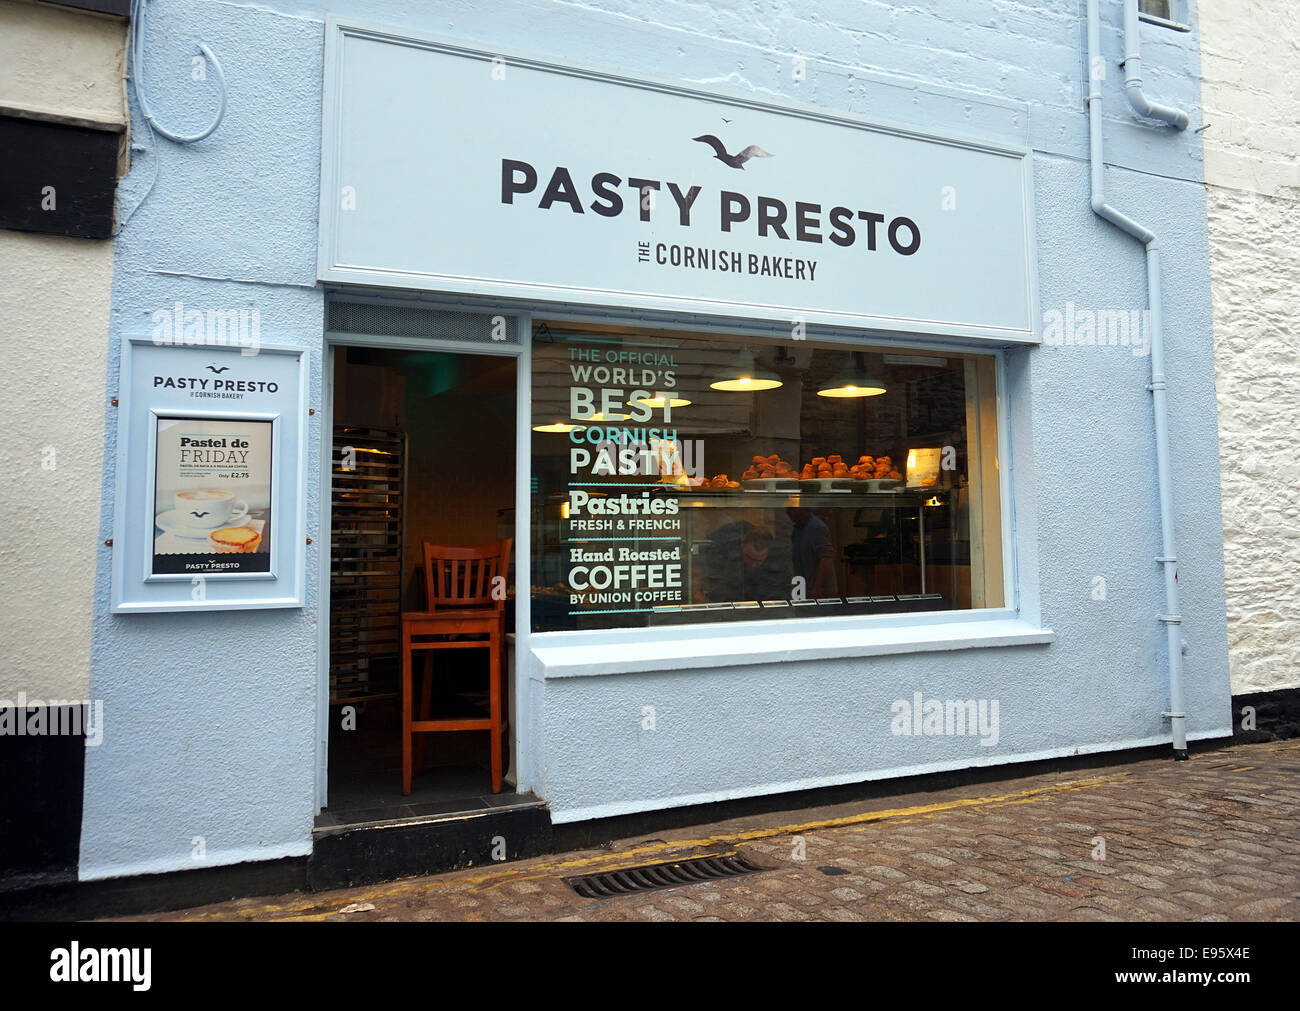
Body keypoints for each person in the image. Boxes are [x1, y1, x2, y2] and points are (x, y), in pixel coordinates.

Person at [702, 520, 790, 603]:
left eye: (758, 561)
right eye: (749, 557)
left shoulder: (775, 567)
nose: (753, 564)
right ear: (742, 544)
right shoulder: (724, 553)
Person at [786, 506, 838, 599]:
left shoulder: (817, 527)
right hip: (802, 587)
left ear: (804, 508)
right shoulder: (797, 530)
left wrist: (817, 587)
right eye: (788, 509)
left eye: (792, 509)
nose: (788, 512)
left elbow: (826, 559)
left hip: (819, 591)